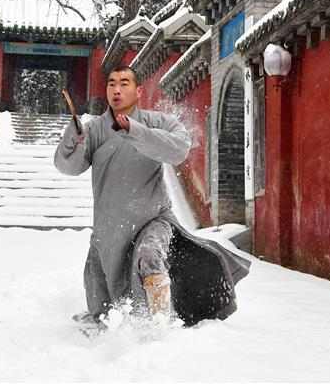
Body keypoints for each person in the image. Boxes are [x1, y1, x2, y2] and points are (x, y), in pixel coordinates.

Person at [54, 65, 251, 328]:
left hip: (154, 218)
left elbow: (178, 149)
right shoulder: (95, 130)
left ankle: (161, 325)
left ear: (138, 91)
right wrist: (72, 139)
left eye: (124, 83)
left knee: (149, 256)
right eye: (111, 83)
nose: (117, 89)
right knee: (100, 305)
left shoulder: (158, 122)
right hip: (110, 228)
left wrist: (136, 132)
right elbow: (67, 166)